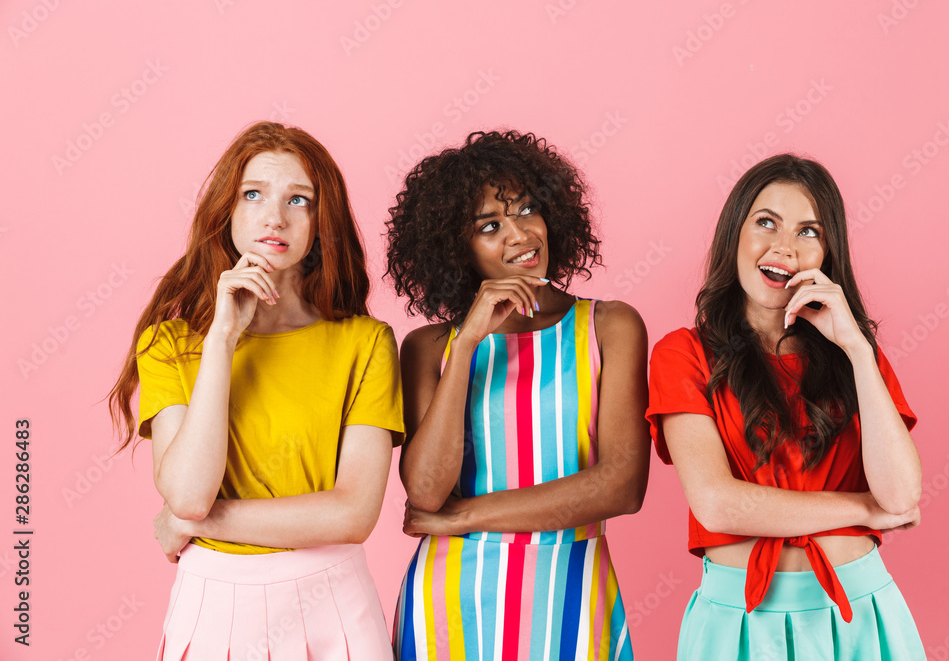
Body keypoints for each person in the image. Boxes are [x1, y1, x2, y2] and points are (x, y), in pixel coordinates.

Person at [108, 121, 403, 660]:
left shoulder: (366, 343)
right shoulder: (170, 344)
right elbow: (191, 492)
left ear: (322, 219)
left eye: (299, 199)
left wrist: (186, 522)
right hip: (212, 601)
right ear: (228, 211)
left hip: (333, 600)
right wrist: (222, 337)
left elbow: (353, 514)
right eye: (253, 194)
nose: (275, 217)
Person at [647, 153, 924, 659]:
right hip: (738, 624)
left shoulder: (856, 358)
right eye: (766, 222)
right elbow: (716, 503)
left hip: (860, 616)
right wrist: (862, 509)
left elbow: (902, 495)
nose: (784, 247)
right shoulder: (681, 353)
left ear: (829, 253)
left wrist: (859, 350)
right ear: (735, 233)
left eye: (808, 231)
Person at [385, 130, 649, 660]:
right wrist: (464, 348)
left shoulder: (609, 327)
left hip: (570, 601)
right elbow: (428, 493)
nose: (520, 234)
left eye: (527, 209)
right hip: (450, 607)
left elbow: (621, 487)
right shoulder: (429, 347)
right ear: (457, 250)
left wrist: (464, 518)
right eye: (489, 226)